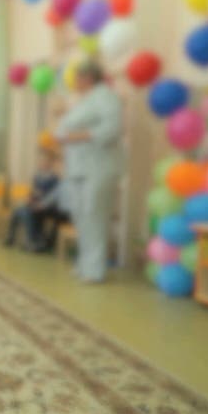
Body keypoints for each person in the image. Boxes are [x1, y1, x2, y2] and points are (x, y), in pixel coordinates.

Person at [55, 61, 123, 284]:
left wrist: (78, 136)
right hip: (77, 167)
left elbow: (112, 129)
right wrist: (63, 135)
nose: (74, 82)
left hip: (98, 166)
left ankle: (95, 270)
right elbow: (63, 129)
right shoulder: (83, 100)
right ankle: (84, 263)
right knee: (81, 216)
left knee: (95, 216)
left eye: (76, 77)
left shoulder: (106, 97)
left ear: (88, 78)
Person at [3, 150, 60, 251]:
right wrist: (29, 198)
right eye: (41, 160)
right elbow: (32, 193)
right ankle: (12, 237)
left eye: (45, 161)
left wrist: (39, 199)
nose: (43, 163)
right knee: (18, 210)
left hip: (47, 207)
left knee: (28, 212)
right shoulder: (37, 176)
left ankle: (33, 240)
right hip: (35, 204)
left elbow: (53, 197)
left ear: (50, 163)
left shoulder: (54, 178)